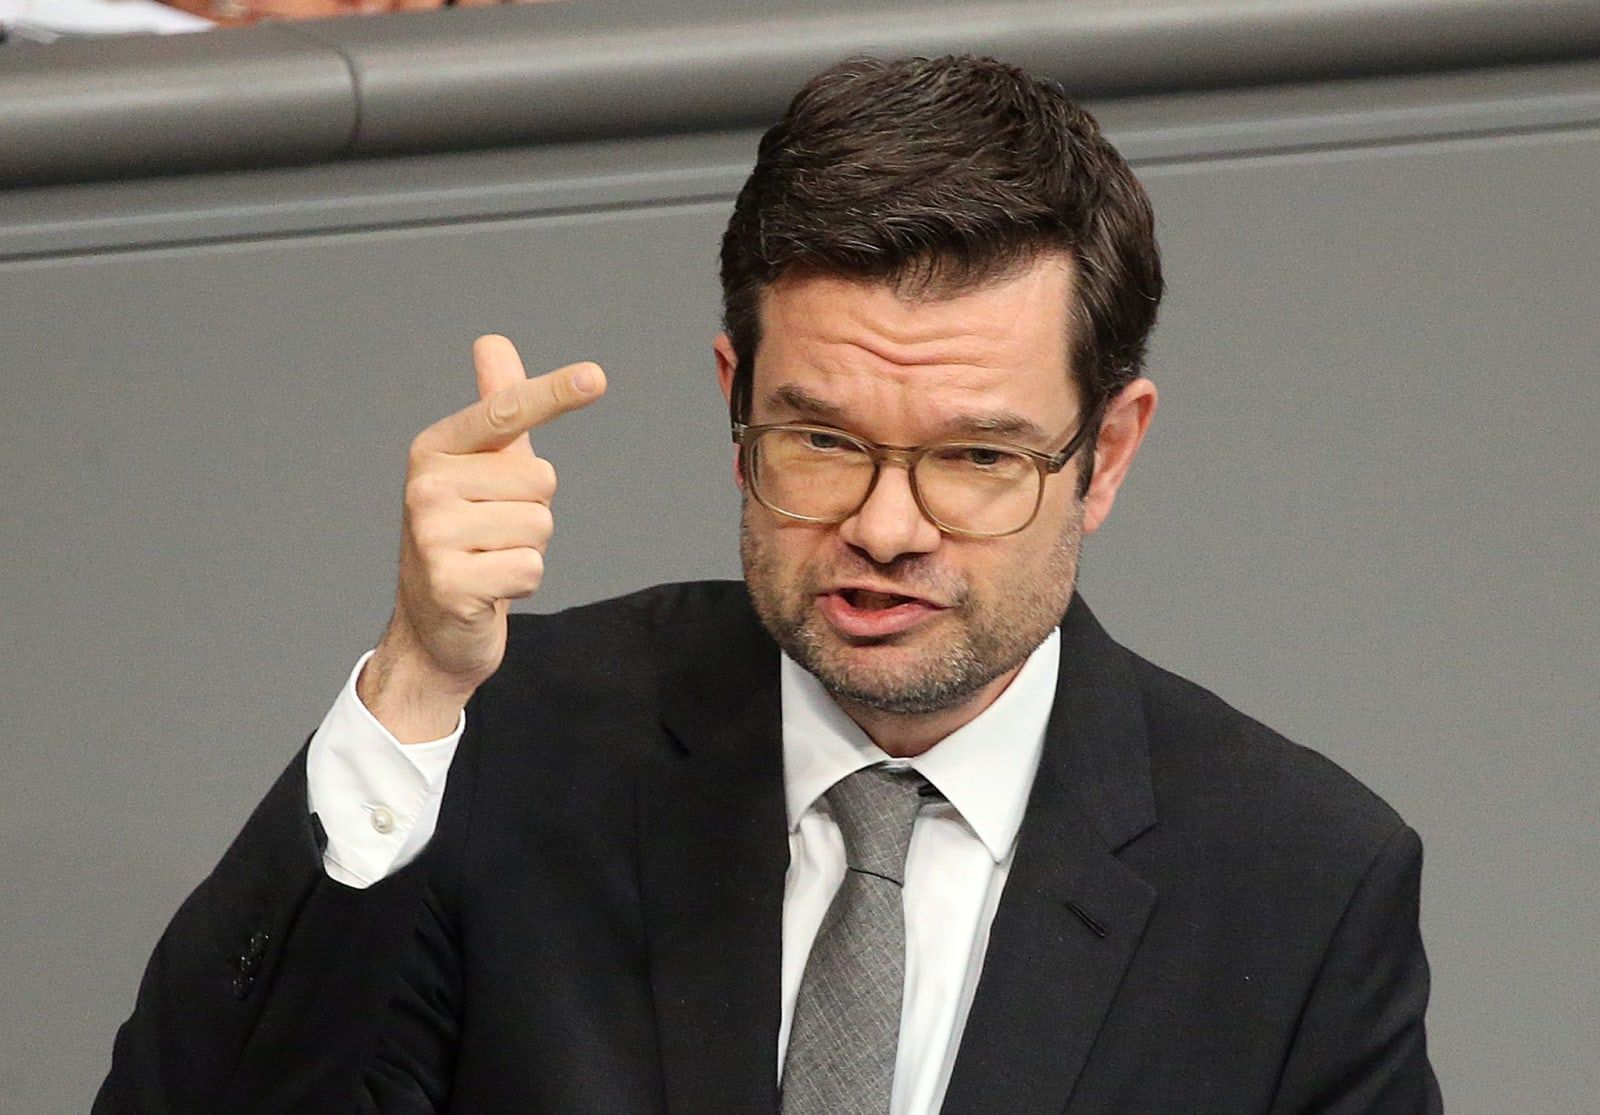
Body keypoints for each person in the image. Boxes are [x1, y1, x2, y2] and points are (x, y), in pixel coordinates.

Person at [97, 55, 1442, 1114]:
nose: (886, 527)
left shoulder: (1297, 883)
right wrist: (411, 688)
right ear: (736, 406)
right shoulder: (503, 746)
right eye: (823, 441)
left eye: (976, 457)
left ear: (1109, 452)